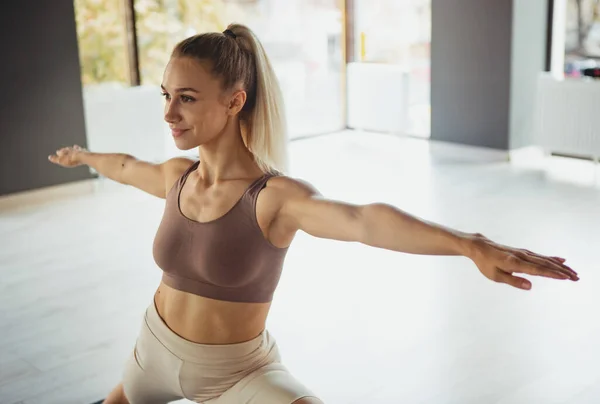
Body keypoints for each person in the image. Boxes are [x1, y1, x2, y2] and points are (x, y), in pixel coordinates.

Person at [48, 23, 579, 404]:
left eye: (186, 97)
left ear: (235, 101)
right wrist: (84, 158)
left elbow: (364, 220)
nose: (168, 113)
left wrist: (470, 243)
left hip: (235, 374)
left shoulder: (273, 197)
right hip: (151, 350)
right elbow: (123, 165)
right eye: (166, 95)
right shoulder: (175, 176)